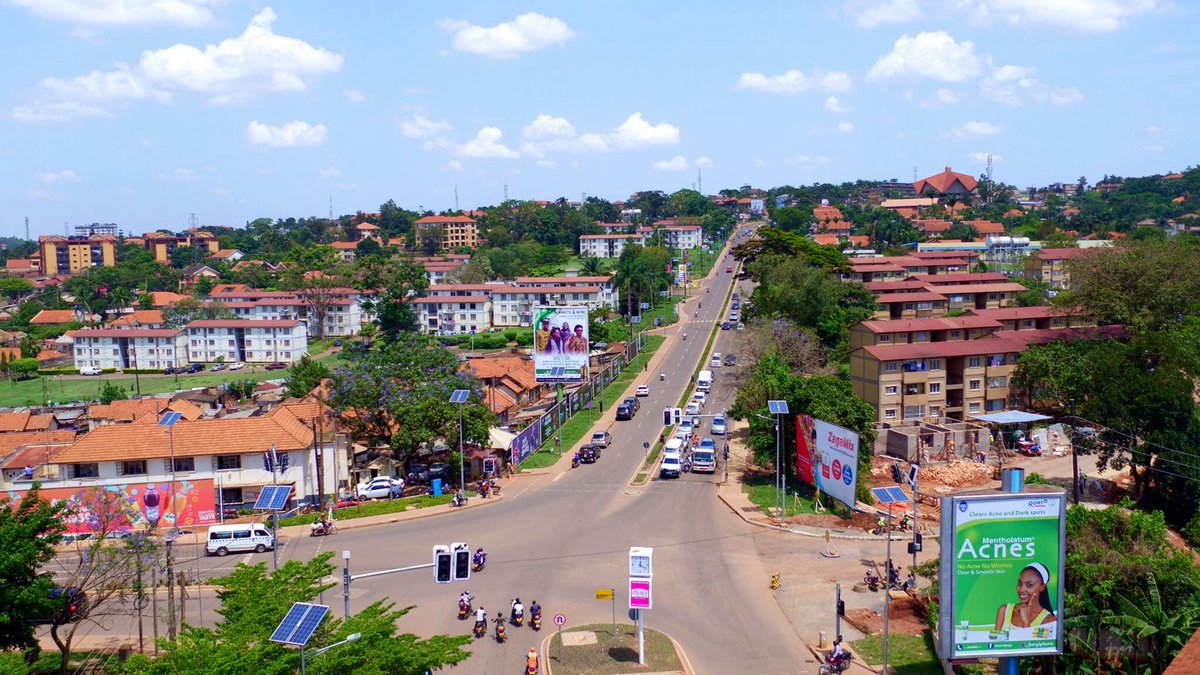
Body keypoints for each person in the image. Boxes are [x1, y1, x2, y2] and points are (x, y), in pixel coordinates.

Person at [995, 563, 1057, 632]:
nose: (1021, 589)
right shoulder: (1004, 610)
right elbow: (995, 642)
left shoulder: (1049, 621)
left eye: (1029, 585)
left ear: (1042, 587)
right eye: (1020, 584)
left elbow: (1030, 643)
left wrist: (1026, 623)